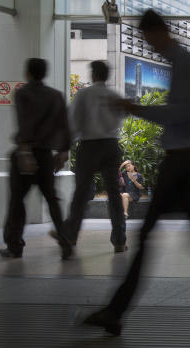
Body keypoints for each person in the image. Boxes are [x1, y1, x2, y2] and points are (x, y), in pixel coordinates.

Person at [82, 10, 190, 336]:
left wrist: (137, 109)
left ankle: (116, 312)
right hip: (179, 160)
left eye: (148, 38)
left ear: (160, 31)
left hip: (181, 162)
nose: (148, 46)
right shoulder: (181, 63)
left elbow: (183, 113)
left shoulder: (185, 64)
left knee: (156, 236)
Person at [0, 58, 72, 259]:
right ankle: (65, 242)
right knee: (52, 198)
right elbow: (65, 126)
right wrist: (63, 151)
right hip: (46, 155)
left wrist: (24, 153)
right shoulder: (56, 96)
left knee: (17, 201)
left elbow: (24, 125)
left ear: (28, 73)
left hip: (25, 154)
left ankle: (14, 246)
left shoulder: (22, 93)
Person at [57, 61, 128, 253]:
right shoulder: (115, 95)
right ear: (107, 75)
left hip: (89, 146)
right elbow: (121, 118)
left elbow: (73, 124)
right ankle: (120, 240)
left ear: (93, 74)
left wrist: (64, 149)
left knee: (81, 192)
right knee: (113, 193)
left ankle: (71, 235)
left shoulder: (84, 94)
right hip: (111, 145)